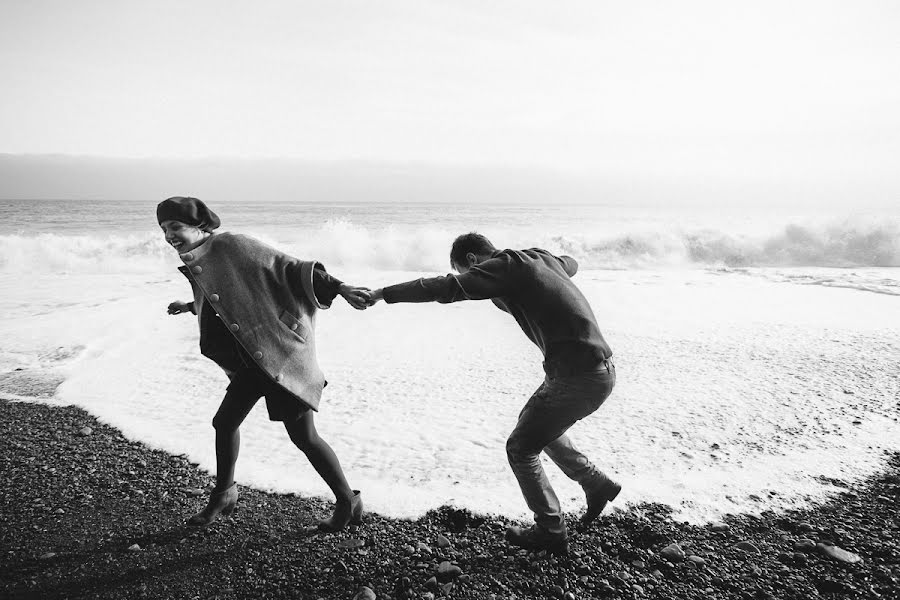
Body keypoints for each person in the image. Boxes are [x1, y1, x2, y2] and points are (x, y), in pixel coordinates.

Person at [365, 233, 620, 554]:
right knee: (537, 428)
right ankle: (596, 483)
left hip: (578, 376)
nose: (471, 281)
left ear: (472, 261)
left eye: (467, 272)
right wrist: (552, 271)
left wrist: (382, 294)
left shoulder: (502, 268)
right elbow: (572, 263)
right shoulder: (537, 257)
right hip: (598, 370)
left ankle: (551, 530)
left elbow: (444, 288)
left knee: (520, 447)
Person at [159, 196, 368, 531]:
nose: (169, 236)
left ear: (198, 226)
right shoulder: (199, 257)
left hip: (278, 355)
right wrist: (189, 306)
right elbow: (226, 300)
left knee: (304, 438)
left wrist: (340, 287)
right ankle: (224, 493)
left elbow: (289, 268)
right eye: (164, 230)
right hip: (250, 363)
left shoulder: (232, 244)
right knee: (224, 423)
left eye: (175, 227)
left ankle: (348, 500)